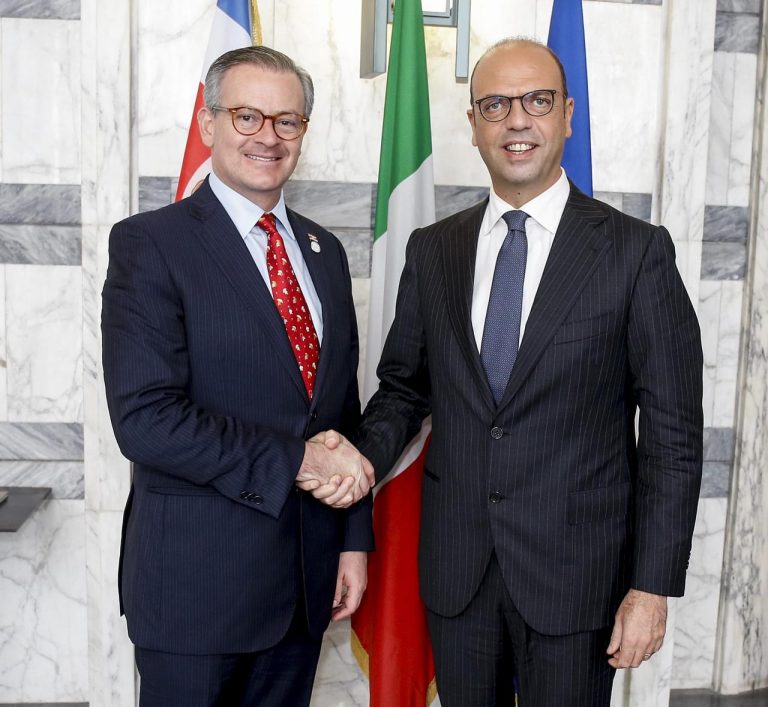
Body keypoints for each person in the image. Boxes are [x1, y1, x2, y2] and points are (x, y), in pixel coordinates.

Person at [343, 37, 703, 706]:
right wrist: (357, 460)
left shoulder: (634, 252)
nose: (517, 120)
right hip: (459, 573)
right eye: (496, 104)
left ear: (567, 114)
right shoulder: (434, 249)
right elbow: (402, 389)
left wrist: (651, 587)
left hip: (578, 580)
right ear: (474, 123)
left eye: (537, 101)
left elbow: (673, 434)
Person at [101, 46, 374, 707]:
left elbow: (341, 412)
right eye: (247, 115)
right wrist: (298, 461)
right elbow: (147, 420)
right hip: (195, 593)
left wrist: (353, 542)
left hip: (305, 589)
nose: (267, 137)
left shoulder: (324, 251)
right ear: (207, 121)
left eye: (287, 121)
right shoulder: (152, 244)